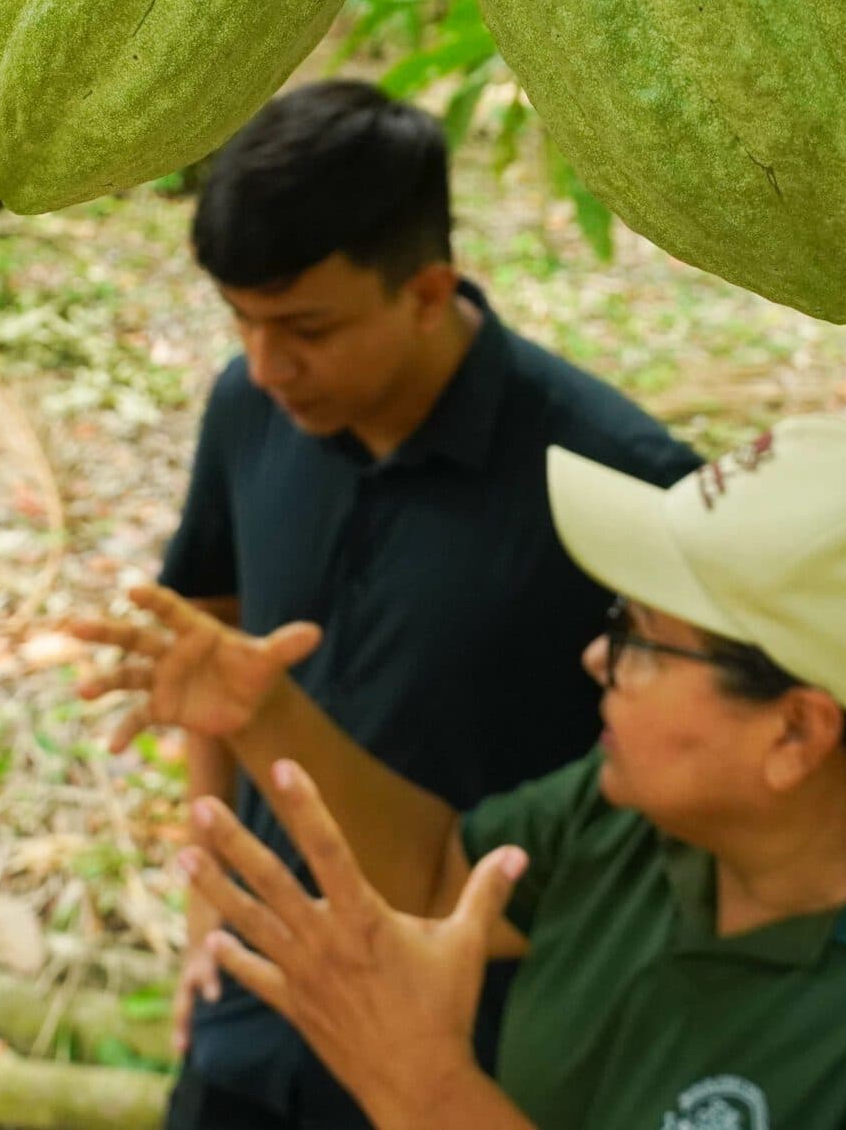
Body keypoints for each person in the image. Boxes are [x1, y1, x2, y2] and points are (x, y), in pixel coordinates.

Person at [76, 416, 846, 1130]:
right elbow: (446, 878)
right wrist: (265, 714)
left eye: (636, 635)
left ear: (796, 735)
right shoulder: (646, 817)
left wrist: (427, 1094)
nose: (594, 657)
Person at [147, 81, 700, 1129]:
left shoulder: (616, 484)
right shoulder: (246, 408)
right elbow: (210, 648)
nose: (266, 366)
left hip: (468, 1043)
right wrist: (201, 914)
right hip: (255, 998)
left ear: (427, 288)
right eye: (242, 323)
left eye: (304, 327)